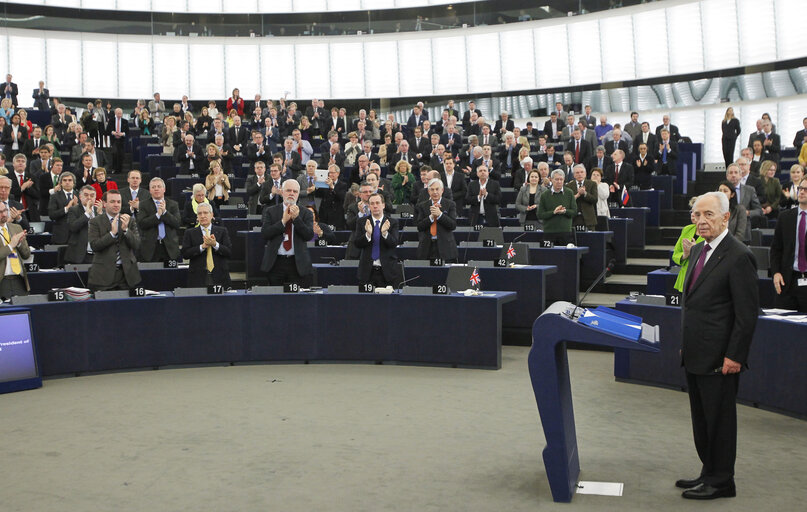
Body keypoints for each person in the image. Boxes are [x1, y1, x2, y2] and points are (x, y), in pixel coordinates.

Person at [677, 191, 758, 500]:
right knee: (702, 420)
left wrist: (735, 355)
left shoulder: (739, 256)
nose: (701, 221)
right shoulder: (697, 251)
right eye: (697, 215)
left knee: (720, 422)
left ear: (726, 217)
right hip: (696, 353)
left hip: (721, 358)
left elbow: (746, 314)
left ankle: (722, 481)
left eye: (708, 214)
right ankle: (708, 471)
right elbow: (694, 305)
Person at [261, 179, 314, 287]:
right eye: (288, 190)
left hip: (297, 263)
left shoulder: (306, 212)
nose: (291, 194)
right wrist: (283, 222)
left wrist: (297, 219)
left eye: (295, 191)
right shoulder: (271, 211)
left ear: (298, 194)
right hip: (276, 262)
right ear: (282, 192)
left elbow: (309, 235)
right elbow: (265, 234)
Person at [87, 189, 141, 291]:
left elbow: (137, 245)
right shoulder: (95, 222)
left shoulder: (129, 221)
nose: (116, 205)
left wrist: (126, 230)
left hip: (127, 276)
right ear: (104, 203)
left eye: (118, 202)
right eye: (112, 202)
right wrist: (112, 234)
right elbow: (94, 246)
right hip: (103, 276)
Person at [770, 180, 807, 312]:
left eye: (806, 189)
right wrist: (776, 272)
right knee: (782, 327)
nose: (802, 192)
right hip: (787, 281)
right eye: (800, 188)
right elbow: (776, 249)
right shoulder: (785, 217)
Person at [355, 192, 402, 288]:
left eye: (377, 203)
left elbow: (394, 243)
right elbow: (357, 243)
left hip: (387, 272)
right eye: (372, 204)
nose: (375, 206)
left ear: (383, 205)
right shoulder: (362, 222)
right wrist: (368, 234)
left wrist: (385, 233)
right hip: (367, 271)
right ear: (368, 206)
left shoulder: (392, 222)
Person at [181, 203, 231, 288]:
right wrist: (202, 247)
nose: (202, 216)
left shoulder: (222, 231)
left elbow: (229, 252)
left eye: (205, 213)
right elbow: (185, 254)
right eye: (200, 213)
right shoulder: (190, 233)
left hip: (220, 275)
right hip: (197, 277)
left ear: (212, 215)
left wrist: (215, 244)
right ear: (197, 217)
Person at [137, 177, 181, 263]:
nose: (156, 189)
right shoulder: (143, 205)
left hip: (169, 248)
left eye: (158, 186)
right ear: (150, 190)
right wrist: (158, 215)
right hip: (150, 248)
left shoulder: (173, 204)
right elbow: (142, 224)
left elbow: (177, 223)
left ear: (164, 189)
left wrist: (164, 213)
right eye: (153, 187)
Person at [416, 178, 458, 262]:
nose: (435, 192)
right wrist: (431, 217)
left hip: (446, 247)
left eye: (437, 189)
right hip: (427, 247)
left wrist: (440, 215)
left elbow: (453, 225)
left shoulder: (450, 204)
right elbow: (419, 227)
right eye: (432, 189)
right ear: (428, 192)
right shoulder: (422, 206)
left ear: (442, 190)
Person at [671, 197, 705, 293]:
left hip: (700, 280)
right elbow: (675, 254)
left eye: (696, 212)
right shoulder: (687, 229)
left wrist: (695, 250)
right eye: (691, 211)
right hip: (684, 280)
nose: (692, 215)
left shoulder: (710, 232)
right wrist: (685, 255)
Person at [0, 200, 31, 299]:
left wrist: (19, 243)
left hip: (19, 280)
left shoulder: (16, 228)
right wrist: (11, 245)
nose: (4, 214)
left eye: (5, 210)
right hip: (2, 280)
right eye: (0, 212)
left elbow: (27, 255)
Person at [538, 169, 577, 245]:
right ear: (551, 180)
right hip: (549, 232)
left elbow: (574, 212)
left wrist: (565, 211)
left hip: (565, 232)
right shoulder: (545, 195)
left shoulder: (569, 193)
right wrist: (553, 212)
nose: (559, 182)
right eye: (556, 179)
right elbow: (540, 214)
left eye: (561, 179)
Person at [65, 185, 101, 264]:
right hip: (80, 254)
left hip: (98, 255)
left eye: (92, 195)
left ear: (95, 197)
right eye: (86, 195)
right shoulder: (73, 210)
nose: (89, 198)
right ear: (80, 197)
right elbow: (73, 227)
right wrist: (87, 214)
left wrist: (101, 215)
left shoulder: (100, 211)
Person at [47, 172, 78, 244]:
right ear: (60, 183)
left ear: (74, 183)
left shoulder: (80, 195)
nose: (67, 182)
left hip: (77, 235)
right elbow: (52, 215)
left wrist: (77, 208)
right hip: (61, 235)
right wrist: (67, 208)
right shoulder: (54, 196)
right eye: (65, 180)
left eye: (70, 180)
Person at [315, 164, 347, 230]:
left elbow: (341, 197)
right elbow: (317, 195)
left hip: (336, 215)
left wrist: (332, 187)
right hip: (324, 214)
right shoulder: (324, 183)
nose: (330, 174)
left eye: (332, 173)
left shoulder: (343, 184)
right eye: (329, 173)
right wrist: (317, 184)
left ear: (338, 173)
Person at [566, 164, 598, 231]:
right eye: (577, 173)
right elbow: (566, 202)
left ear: (585, 174)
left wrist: (585, 193)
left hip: (588, 220)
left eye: (581, 172)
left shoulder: (592, 184)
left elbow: (595, 199)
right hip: (573, 220)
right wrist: (576, 196)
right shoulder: (569, 186)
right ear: (574, 175)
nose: (579, 174)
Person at [105, 108, 128, 174]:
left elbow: (127, 132)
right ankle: (114, 168)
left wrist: (122, 134)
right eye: (118, 113)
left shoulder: (125, 121)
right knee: (115, 153)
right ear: (115, 113)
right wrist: (113, 132)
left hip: (122, 140)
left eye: (121, 113)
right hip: (114, 140)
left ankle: (120, 169)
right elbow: (108, 131)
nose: (119, 115)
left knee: (121, 154)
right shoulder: (111, 120)